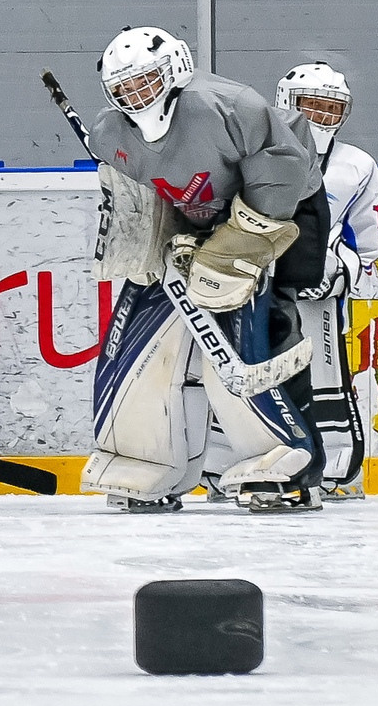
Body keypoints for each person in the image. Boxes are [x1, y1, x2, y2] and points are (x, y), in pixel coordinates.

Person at [81, 26, 325, 514]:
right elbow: (136, 197)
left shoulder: (232, 107)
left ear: (174, 71)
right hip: (192, 227)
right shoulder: (110, 133)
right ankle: (143, 461)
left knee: (254, 330)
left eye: (145, 81)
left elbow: (284, 169)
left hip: (281, 210)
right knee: (141, 339)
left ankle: (286, 460)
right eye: (124, 88)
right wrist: (146, 243)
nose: (136, 95)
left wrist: (237, 245)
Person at [276, 61, 378, 501]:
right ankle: (229, 463)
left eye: (330, 109)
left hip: (320, 296)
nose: (320, 118)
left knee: (325, 374)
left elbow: (368, 245)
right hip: (260, 287)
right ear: (286, 104)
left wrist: (338, 272)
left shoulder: (358, 166)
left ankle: (333, 467)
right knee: (251, 371)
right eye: (310, 107)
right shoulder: (252, 153)